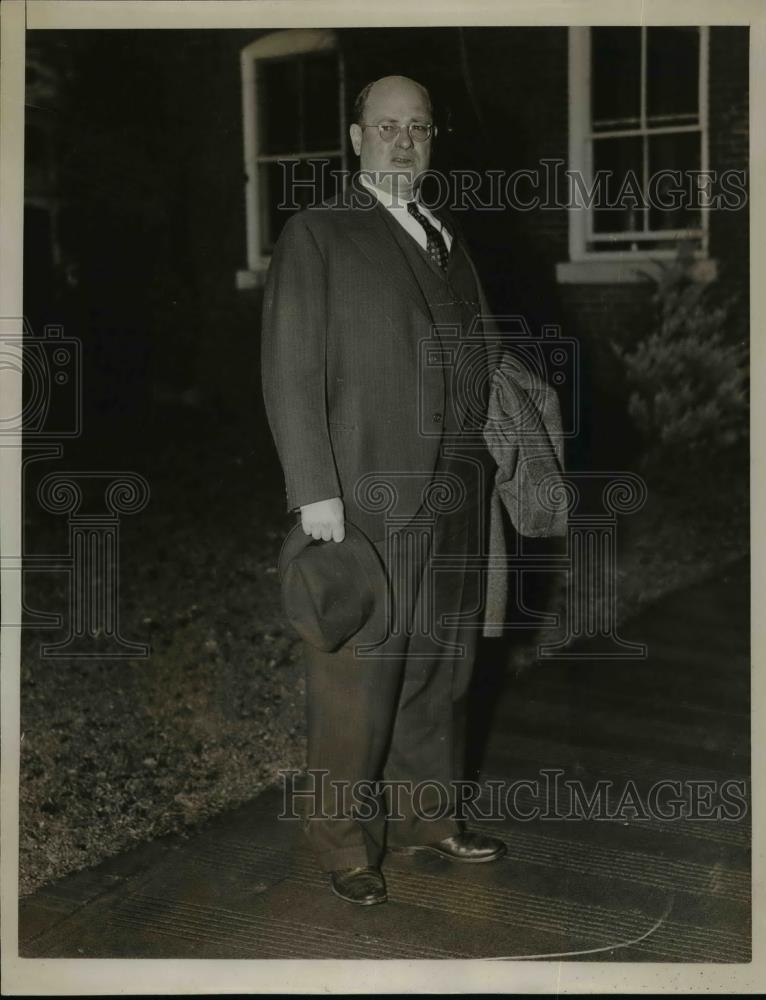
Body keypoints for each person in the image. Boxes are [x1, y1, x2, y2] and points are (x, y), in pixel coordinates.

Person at [261, 75, 505, 906]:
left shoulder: (444, 233)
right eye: (387, 126)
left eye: (419, 128)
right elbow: (290, 367)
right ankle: (341, 844)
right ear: (357, 139)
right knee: (359, 678)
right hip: (367, 497)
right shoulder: (318, 233)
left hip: (458, 493)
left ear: (432, 141)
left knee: (442, 665)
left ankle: (426, 817)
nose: (404, 141)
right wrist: (314, 492)